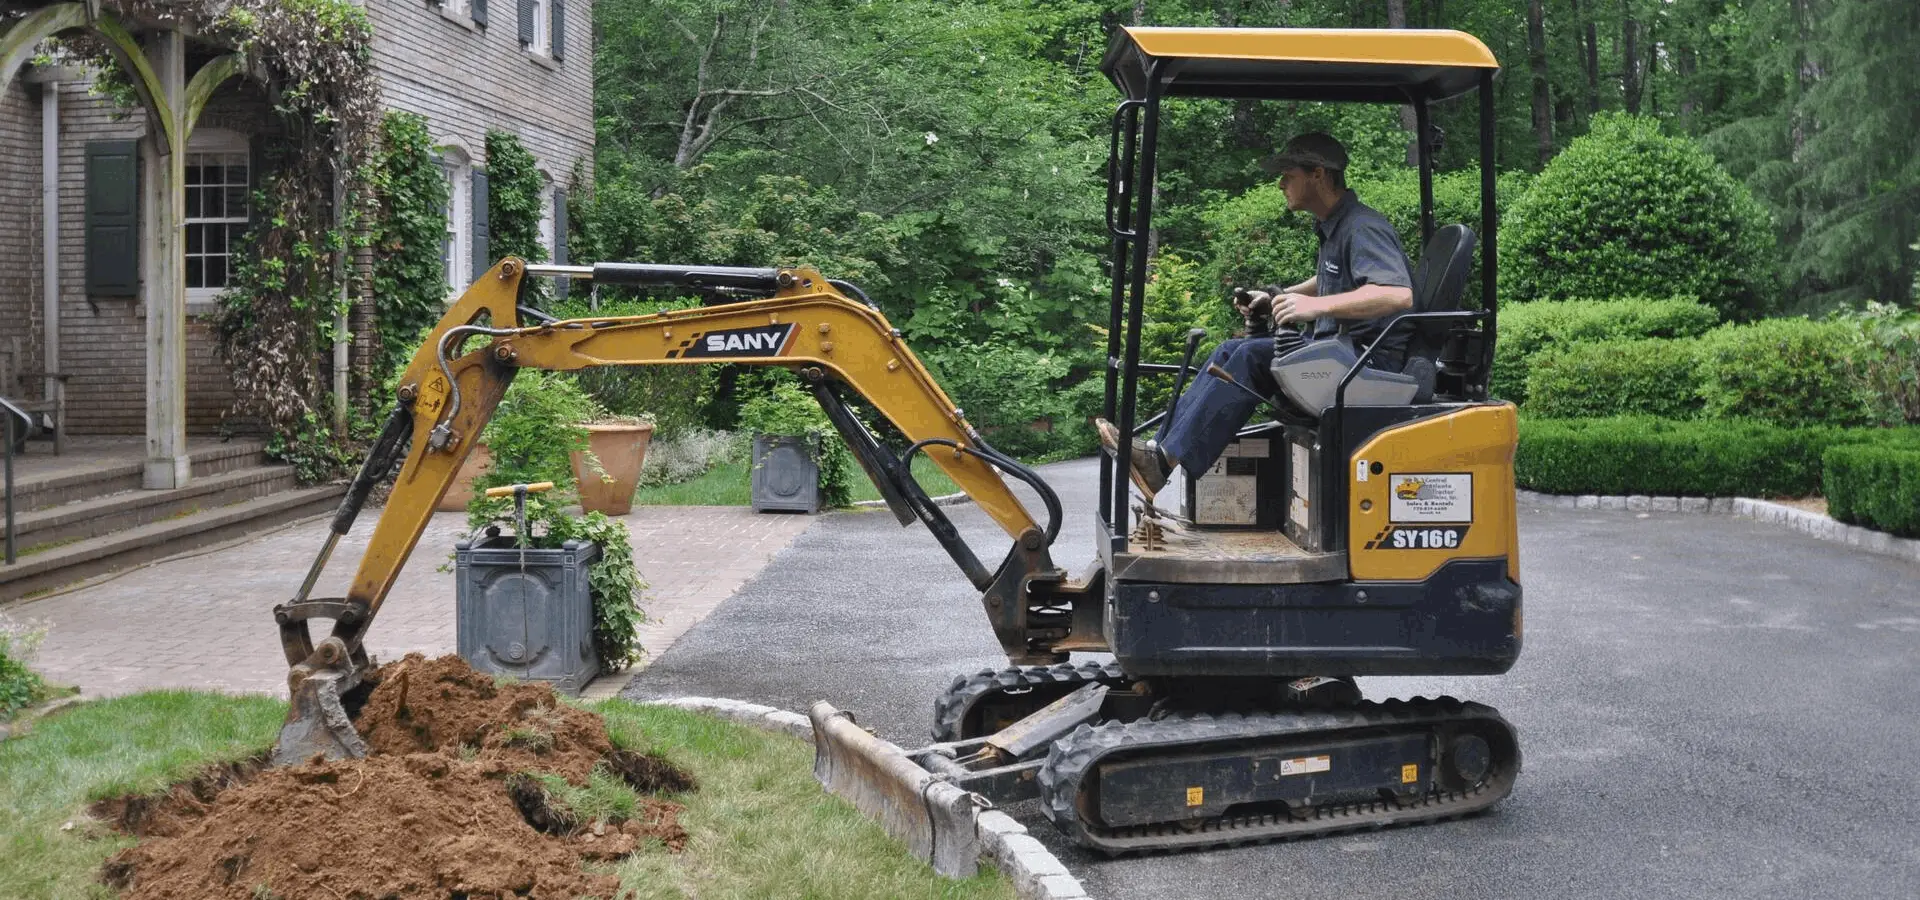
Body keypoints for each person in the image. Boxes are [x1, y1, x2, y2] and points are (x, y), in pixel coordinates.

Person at [1097, 132, 1415, 499]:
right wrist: (1279, 296)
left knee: (1249, 357)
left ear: (1318, 174)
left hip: (1366, 362)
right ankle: (1158, 452)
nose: (1281, 184)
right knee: (1232, 350)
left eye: (1288, 174)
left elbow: (1397, 294)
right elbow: (1330, 278)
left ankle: (1162, 463)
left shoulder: (1363, 227)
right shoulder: (1337, 226)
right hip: (1342, 353)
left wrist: (1315, 308)